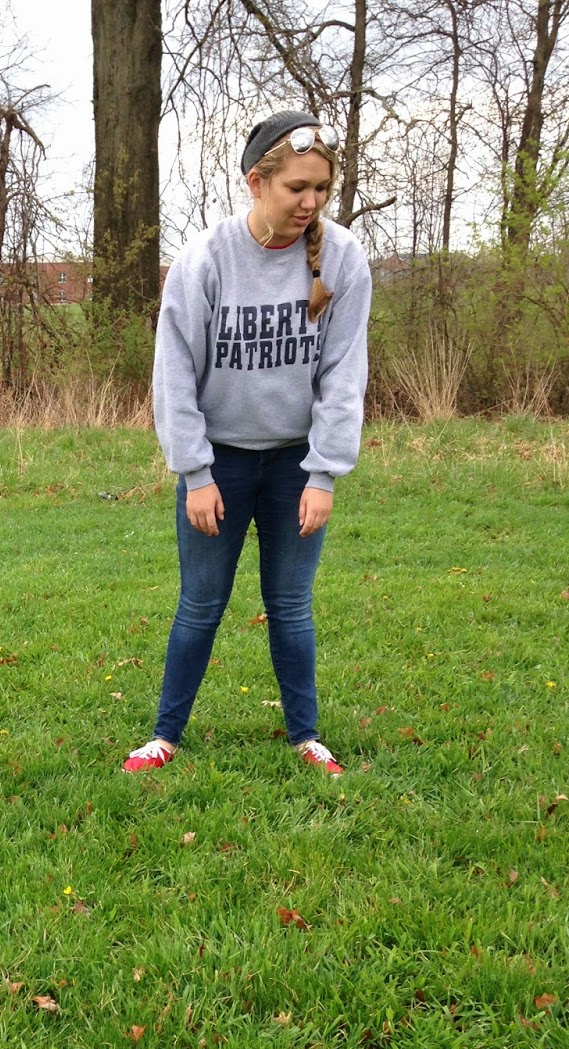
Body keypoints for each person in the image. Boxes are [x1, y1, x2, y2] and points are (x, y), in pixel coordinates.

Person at [124, 110, 372, 779]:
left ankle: (306, 736)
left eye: (321, 187)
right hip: (220, 462)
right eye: (296, 187)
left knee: (290, 605)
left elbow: (343, 374)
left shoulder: (343, 258)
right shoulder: (206, 259)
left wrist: (323, 474)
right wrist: (195, 472)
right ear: (256, 183)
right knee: (201, 603)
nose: (310, 202)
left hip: (296, 462)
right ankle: (165, 735)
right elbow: (174, 375)